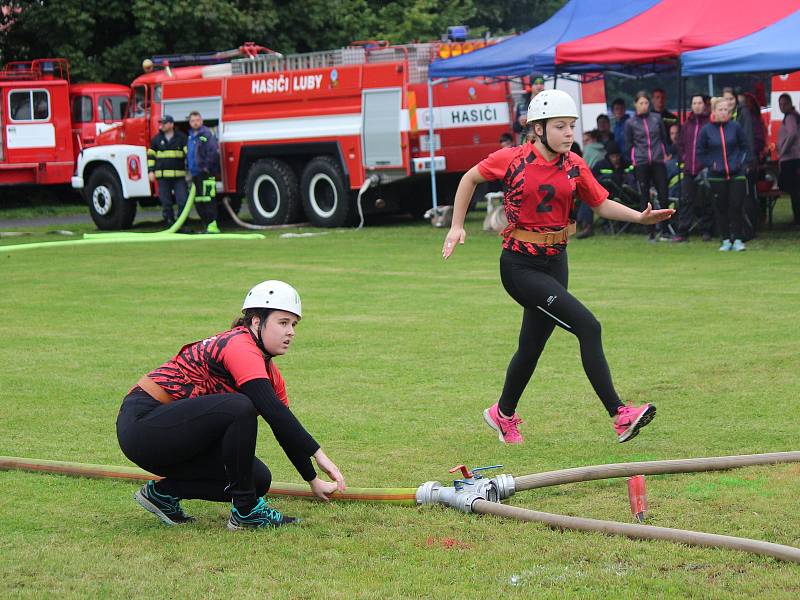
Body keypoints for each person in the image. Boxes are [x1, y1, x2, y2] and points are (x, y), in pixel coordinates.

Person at [441, 89, 672, 445]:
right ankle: (619, 414)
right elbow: (469, 178)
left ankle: (502, 414)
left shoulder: (575, 164)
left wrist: (640, 219)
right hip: (520, 267)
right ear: (538, 129)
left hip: (556, 262)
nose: (569, 133)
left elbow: (601, 203)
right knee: (588, 326)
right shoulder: (512, 158)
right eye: (560, 126)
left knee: (532, 346)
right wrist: (457, 225)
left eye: (572, 126)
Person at [116, 280, 346, 529]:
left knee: (257, 480)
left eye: (294, 324)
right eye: (282, 322)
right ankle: (246, 513)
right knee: (239, 406)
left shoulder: (268, 372)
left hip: (178, 440)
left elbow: (282, 425)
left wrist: (313, 480)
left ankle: (162, 494)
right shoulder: (239, 345)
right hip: (143, 428)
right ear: (256, 322)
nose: (291, 331)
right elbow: (271, 411)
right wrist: (319, 454)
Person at [697, 97, 749, 251]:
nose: (724, 112)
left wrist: (740, 162)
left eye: (727, 109)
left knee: (736, 205)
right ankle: (725, 239)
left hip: (736, 173)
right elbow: (700, 152)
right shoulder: (706, 130)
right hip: (717, 175)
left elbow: (745, 147)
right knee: (721, 207)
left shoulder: (736, 127)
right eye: (721, 109)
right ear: (714, 111)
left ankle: (738, 239)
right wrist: (711, 164)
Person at [625, 91, 673, 241]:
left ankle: (665, 230)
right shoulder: (630, 123)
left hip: (658, 160)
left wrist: (666, 153)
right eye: (641, 103)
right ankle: (650, 231)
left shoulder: (656, 118)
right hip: (641, 162)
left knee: (663, 194)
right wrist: (634, 159)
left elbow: (664, 138)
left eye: (646, 103)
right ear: (635, 105)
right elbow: (628, 144)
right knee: (645, 196)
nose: (644, 106)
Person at [673, 94, 713, 243]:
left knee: (705, 200)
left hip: (704, 168)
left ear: (704, 105)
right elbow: (681, 144)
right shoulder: (687, 124)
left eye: (699, 103)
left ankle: (706, 230)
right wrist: (684, 158)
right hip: (689, 168)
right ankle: (683, 231)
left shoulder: (709, 123)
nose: (697, 105)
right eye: (694, 103)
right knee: (686, 200)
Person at [147, 115, 188, 226]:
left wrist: (191, 169)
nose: (162, 125)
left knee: (183, 201)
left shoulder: (182, 138)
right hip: (163, 177)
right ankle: (169, 222)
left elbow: (189, 154)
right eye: (161, 123)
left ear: (171, 124)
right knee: (166, 203)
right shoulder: (156, 139)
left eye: (164, 123)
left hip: (178, 176)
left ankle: (181, 222)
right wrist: (150, 171)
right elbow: (151, 156)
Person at [187, 111, 221, 234]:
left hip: (206, 173)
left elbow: (213, 152)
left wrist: (206, 167)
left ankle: (212, 226)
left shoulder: (206, 134)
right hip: (195, 174)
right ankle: (207, 225)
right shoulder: (191, 136)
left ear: (201, 121)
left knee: (208, 200)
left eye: (197, 120)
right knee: (200, 201)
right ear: (190, 122)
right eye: (192, 120)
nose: (195, 123)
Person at [777, 93, 800, 225]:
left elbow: (792, 134)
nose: (782, 106)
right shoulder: (793, 116)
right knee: (794, 190)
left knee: (791, 188)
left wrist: (783, 150)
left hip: (791, 159)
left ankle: (797, 218)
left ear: (790, 104)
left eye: (785, 103)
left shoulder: (790, 117)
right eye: (780, 104)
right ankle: (797, 217)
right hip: (792, 158)